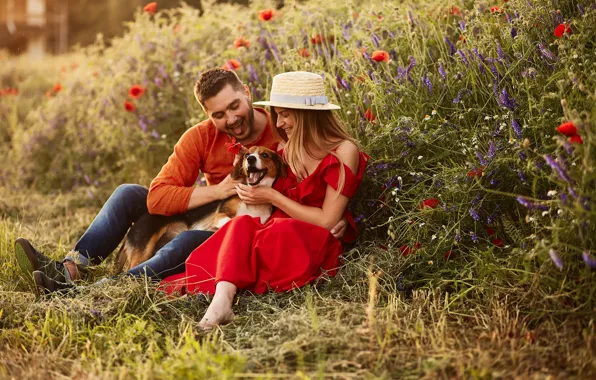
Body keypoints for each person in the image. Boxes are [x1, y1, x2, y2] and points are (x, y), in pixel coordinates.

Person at [15, 68, 349, 292]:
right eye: (218, 114)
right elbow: (157, 198)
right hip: (205, 214)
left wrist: (336, 221)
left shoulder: (285, 138)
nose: (231, 119)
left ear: (247, 93)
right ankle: (72, 267)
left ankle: (111, 288)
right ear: (207, 115)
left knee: (189, 240)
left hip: (232, 231)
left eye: (235, 106)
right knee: (129, 192)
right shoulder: (200, 138)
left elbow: (314, 188)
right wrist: (218, 189)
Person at [158, 71, 369, 329]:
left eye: (285, 114)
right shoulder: (286, 148)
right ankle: (222, 301)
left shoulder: (343, 150)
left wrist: (272, 196)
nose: (279, 123)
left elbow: (326, 219)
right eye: (277, 114)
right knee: (239, 226)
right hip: (276, 227)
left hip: (308, 238)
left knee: (242, 233)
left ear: (307, 113)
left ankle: (222, 298)